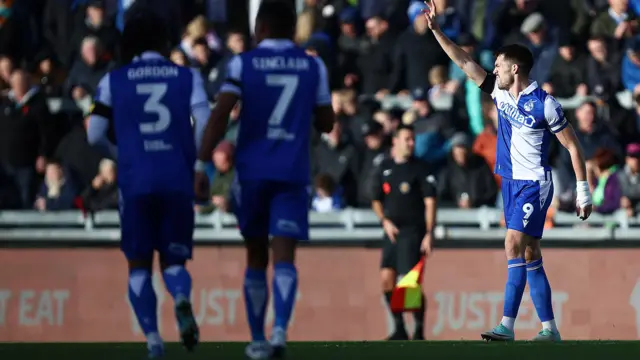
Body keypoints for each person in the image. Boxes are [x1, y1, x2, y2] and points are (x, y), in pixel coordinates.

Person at [423, 0, 593, 342]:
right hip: (511, 182)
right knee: (530, 253)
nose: (494, 69)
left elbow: (573, 146)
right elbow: (465, 61)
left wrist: (583, 190)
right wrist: (438, 31)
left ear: (515, 69)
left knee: (512, 243)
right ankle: (549, 329)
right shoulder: (500, 94)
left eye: (499, 65)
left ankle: (507, 325)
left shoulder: (545, 104)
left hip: (534, 182)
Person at [193, 1, 335, 359]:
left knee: (255, 255)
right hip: (292, 171)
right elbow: (327, 121)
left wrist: (200, 164)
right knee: (285, 254)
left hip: (252, 171)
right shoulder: (312, 65)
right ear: (293, 30)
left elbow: (221, 112)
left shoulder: (243, 62)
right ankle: (279, 333)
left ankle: (256, 338)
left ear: (260, 29)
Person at [86, 10, 211, 359]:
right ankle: (182, 298)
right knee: (174, 262)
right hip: (176, 176)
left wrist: (121, 153)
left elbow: (94, 132)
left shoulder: (113, 80)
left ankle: (154, 340)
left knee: (139, 264)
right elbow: (204, 119)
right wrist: (195, 160)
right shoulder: (188, 76)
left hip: (135, 178)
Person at [371, 124, 436, 341]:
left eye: (412, 140)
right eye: (406, 139)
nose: (410, 143)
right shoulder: (385, 167)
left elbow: (430, 202)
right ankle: (399, 327)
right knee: (386, 279)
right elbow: (375, 198)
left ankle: (418, 329)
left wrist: (429, 233)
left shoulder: (421, 169)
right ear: (395, 141)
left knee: (409, 284)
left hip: (413, 231)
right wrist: (384, 221)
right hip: (392, 232)